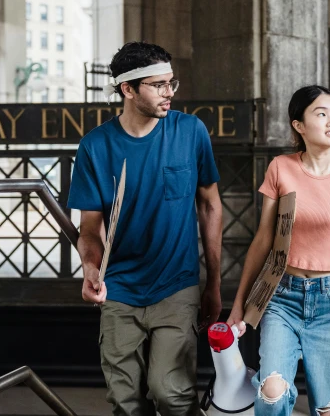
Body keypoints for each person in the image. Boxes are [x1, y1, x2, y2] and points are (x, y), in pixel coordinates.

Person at [68, 41, 223, 416]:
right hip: (119, 287)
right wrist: (91, 269)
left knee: (170, 394)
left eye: (172, 83)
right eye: (158, 85)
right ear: (128, 89)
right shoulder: (95, 146)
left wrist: (214, 283)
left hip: (176, 283)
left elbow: (210, 205)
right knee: (126, 401)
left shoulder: (191, 131)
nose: (169, 93)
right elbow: (89, 227)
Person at [227, 85, 330, 416]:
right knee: (271, 392)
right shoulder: (280, 168)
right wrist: (239, 305)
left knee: (328, 411)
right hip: (282, 296)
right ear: (298, 125)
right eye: (321, 113)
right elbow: (263, 240)